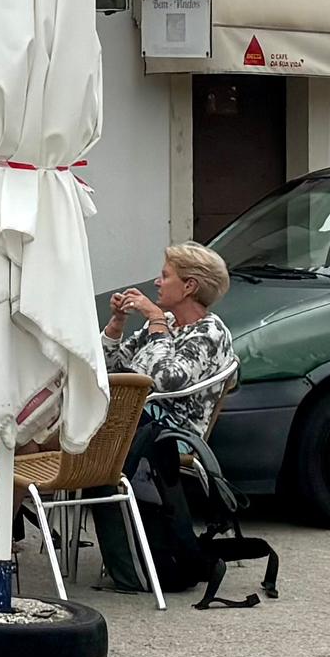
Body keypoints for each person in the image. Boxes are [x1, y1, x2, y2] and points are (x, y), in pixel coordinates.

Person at [93, 241, 241, 592]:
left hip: (170, 436)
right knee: (55, 414)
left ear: (189, 286)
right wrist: (117, 323)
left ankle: (10, 497)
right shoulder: (167, 322)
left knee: (63, 429)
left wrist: (157, 322)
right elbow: (107, 366)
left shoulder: (209, 332)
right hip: (135, 423)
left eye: (165, 276)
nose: (157, 283)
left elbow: (165, 379)